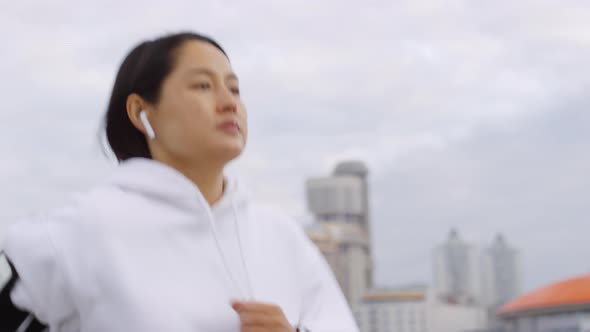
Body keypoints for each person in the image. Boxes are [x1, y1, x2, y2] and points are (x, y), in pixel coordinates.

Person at [0, 32, 359, 332]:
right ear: (141, 112)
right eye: (203, 86)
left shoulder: (281, 235)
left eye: (234, 89)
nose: (228, 102)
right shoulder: (80, 232)